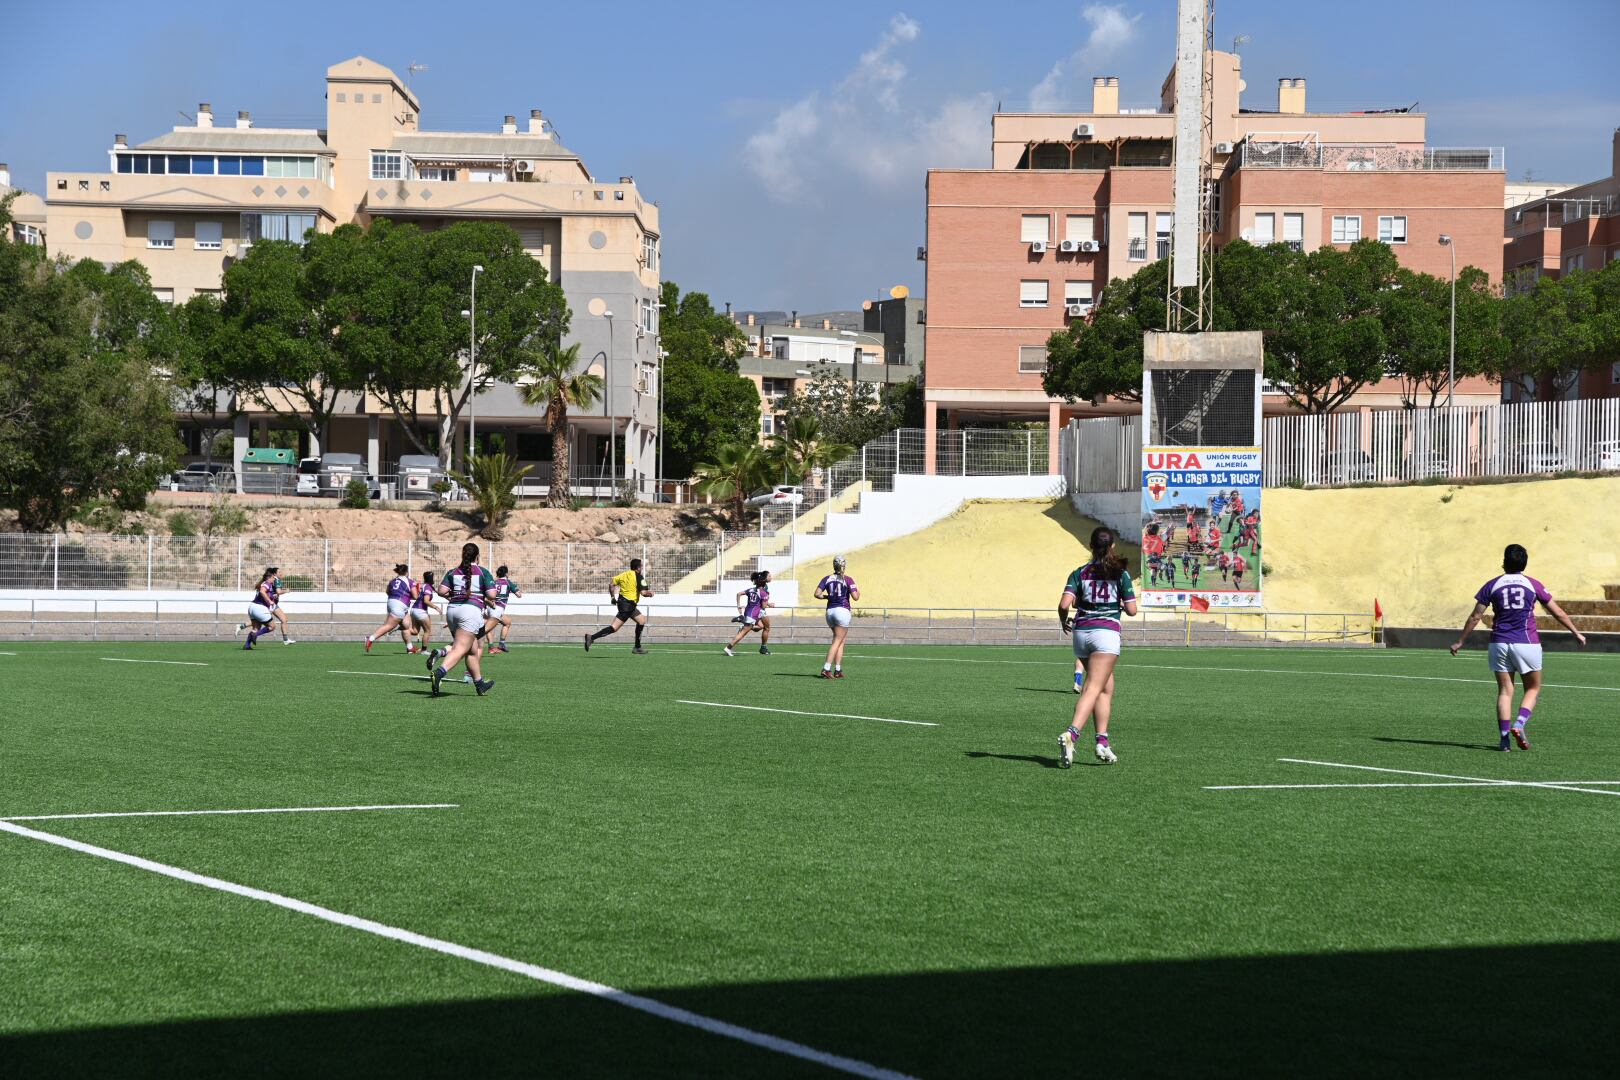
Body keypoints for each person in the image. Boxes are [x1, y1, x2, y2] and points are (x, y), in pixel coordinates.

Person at [1450, 544, 1586, 751]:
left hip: (1499, 643)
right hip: (1527, 642)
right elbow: (1557, 612)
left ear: (1504, 561)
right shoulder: (1533, 584)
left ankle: (1504, 741)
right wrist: (1576, 632)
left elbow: (1476, 616)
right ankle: (1520, 723)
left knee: (1505, 690)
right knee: (1533, 688)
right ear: (1525, 562)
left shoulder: (1492, 585)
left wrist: (1460, 641)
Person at [1057, 527, 1138, 767]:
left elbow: (1064, 604)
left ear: (1090, 546)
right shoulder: (1119, 573)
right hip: (1106, 634)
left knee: (1105, 687)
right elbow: (1132, 610)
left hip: (1081, 632)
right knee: (1092, 688)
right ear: (1112, 546)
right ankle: (1071, 734)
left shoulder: (1079, 573)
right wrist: (1120, 605)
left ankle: (1102, 742)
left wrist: (1064, 621)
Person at [424, 542, 496, 697]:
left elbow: (442, 591)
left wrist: (454, 596)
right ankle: (439, 673)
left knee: (472, 650)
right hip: (470, 611)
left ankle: (479, 684)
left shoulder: (453, 572)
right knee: (460, 649)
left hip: (452, 611)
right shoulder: (483, 572)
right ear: (477, 556)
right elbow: (492, 595)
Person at [585, 557, 652, 654]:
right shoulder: (639, 577)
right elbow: (643, 593)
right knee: (614, 628)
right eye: (641, 567)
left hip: (624, 604)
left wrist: (612, 598)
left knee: (641, 620)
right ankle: (591, 638)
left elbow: (611, 584)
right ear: (638, 568)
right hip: (627, 606)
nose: (642, 568)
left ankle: (637, 647)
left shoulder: (624, 575)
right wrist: (651, 594)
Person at [814, 555, 860, 679]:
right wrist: (858, 590)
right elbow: (856, 597)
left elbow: (817, 594)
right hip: (842, 611)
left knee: (841, 641)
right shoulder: (848, 579)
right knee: (837, 641)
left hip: (830, 612)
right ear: (844, 566)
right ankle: (826, 668)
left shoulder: (827, 578)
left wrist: (828, 597)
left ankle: (838, 670)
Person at [365, 563, 415, 653]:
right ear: (407, 572)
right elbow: (415, 596)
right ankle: (370, 638)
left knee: (406, 625)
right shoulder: (410, 582)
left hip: (391, 602)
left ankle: (410, 648)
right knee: (389, 626)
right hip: (400, 605)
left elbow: (388, 592)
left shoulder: (392, 581)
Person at [724, 570, 774, 656]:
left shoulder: (751, 590)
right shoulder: (763, 592)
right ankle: (728, 648)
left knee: (761, 626)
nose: (771, 577)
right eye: (769, 576)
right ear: (763, 581)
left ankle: (742, 621)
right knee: (743, 633)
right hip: (753, 614)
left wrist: (738, 606)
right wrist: (769, 604)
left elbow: (739, 593)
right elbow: (763, 606)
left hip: (748, 612)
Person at [235, 567, 281, 651]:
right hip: (259, 608)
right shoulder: (267, 583)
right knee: (272, 626)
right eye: (273, 578)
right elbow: (262, 591)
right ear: (269, 578)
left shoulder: (266, 585)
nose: (274, 579)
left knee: (256, 628)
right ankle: (255, 635)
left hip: (252, 607)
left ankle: (247, 645)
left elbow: (266, 593)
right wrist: (269, 601)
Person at [482, 565, 523, 654]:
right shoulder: (508, 582)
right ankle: (470, 643)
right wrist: (516, 590)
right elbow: (519, 595)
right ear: (506, 574)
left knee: (507, 622)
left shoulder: (493, 582)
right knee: (486, 629)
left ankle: (496, 646)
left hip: (489, 607)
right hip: (497, 609)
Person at [406, 570, 442, 654]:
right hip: (420, 610)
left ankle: (403, 628)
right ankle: (424, 650)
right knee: (427, 631)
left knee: (415, 631)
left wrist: (451, 598)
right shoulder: (428, 587)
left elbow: (440, 593)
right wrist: (436, 607)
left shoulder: (426, 586)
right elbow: (426, 601)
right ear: (431, 578)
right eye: (433, 577)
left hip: (414, 609)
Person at [267, 569, 295, 644]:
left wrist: (276, 594)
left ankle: (285, 640)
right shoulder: (277, 580)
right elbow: (278, 591)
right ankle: (243, 627)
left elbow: (275, 592)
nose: (281, 573)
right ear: (275, 574)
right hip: (270, 604)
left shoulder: (274, 580)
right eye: (279, 572)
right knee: (259, 622)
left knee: (284, 619)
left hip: (273, 604)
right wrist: (286, 591)